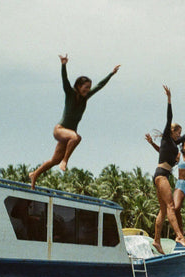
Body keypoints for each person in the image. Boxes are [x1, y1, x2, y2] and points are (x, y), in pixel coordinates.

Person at [29, 54, 120, 188]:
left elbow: (100, 85)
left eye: (89, 88)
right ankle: (65, 161)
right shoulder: (70, 93)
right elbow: (65, 80)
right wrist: (63, 65)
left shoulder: (86, 97)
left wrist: (111, 74)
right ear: (78, 86)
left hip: (68, 136)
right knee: (76, 138)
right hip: (60, 130)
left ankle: (35, 174)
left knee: (55, 160)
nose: (88, 90)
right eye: (86, 87)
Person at [150, 85, 185, 252]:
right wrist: (169, 99)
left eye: (179, 133)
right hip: (161, 175)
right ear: (171, 131)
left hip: (161, 176)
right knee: (171, 206)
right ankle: (180, 236)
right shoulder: (166, 137)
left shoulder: (174, 143)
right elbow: (169, 117)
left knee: (163, 211)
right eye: (177, 133)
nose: (179, 136)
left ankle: (156, 241)